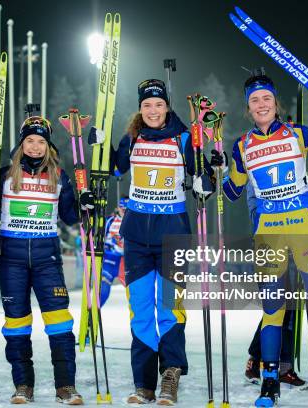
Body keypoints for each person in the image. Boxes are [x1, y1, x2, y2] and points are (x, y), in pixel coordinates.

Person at [222, 69, 308, 407]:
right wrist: (215, 171)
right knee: (273, 312)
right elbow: (232, 192)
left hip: (305, 231)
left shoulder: (299, 134)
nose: (261, 104)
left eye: (266, 98)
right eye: (254, 100)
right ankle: (269, 384)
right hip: (269, 236)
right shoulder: (242, 145)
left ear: (275, 102)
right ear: (248, 108)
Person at [89, 79, 223, 405]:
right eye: (147, 105)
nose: (152, 110)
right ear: (140, 109)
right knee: (142, 311)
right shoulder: (132, 139)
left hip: (172, 235)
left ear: (167, 107)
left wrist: (208, 177)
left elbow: (200, 177)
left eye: (158, 104)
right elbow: (115, 169)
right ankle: (144, 384)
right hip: (136, 237)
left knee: (169, 309)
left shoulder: (184, 138)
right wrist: (99, 145)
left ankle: (170, 376)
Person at [0, 116, 93, 405]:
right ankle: (23, 384)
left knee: (60, 322)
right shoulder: (3, 175)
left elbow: (69, 216)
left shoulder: (59, 176)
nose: (35, 147)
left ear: (48, 146)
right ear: (21, 144)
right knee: (17, 323)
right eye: (30, 141)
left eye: (41, 141)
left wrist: (84, 203)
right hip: (11, 258)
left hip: (47, 258)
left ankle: (66, 386)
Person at [244, 172, 308, 389]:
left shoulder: (303, 174)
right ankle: (278, 367)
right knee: (279, 308)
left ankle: (262, 361)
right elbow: (256, 214)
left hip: (298, 241)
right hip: (272, 244)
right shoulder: (257, 173)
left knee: (288, 308)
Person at [99, 196, 128, 306]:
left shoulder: (135, 221)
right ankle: (94, 313)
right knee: (104, 285)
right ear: (118, 208)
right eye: (122, 209)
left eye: (127, 209)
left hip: (126, 260)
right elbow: (101, 238)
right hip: (111, 258)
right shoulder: (110, 221)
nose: (124, 211)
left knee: (134, 290)